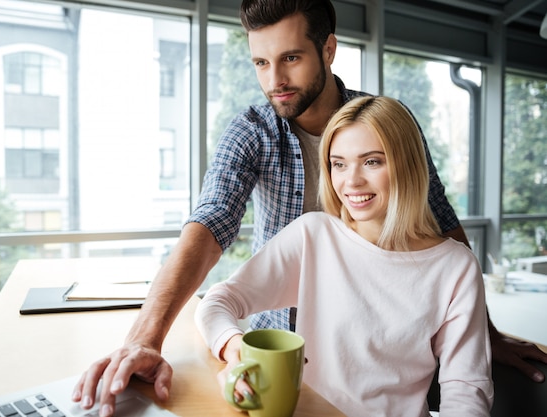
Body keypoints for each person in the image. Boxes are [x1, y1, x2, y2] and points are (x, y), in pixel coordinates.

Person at [72, 1, 547, 415]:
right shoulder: (255, 133)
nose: (274, 80)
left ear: (328, 50)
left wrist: (484, 332)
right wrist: (145, 338)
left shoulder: (381, 123)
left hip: (384, 356)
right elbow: (210, 223)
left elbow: (442, 225)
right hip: (281, 356)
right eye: (260, 62)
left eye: (291, 58)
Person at [195, 95, 494, 416]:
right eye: (338, 164)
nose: (351, 181)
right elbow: (218, 302)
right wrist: (234, 347)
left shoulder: (456, 266)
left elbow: (465, 389)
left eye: (372, 161)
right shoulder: (315, 236)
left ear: (408, 164)